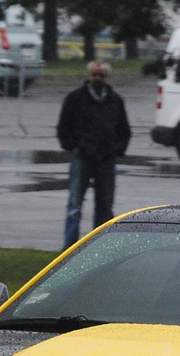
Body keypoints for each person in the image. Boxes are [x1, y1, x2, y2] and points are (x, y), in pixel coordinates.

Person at [55, 60, 130, 248]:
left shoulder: (115, 100)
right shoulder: (75, 98)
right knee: (75, 205)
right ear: (89, 75)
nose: (98, 78)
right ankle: (69, 246)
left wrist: (118, 149)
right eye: (95, 74)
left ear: (107, 77)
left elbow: (124, 129)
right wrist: (73, 146)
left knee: (104, 206)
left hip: (106, 159)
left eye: (102, 75)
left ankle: (98, 246)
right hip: (82, 158)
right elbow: (64, 127)